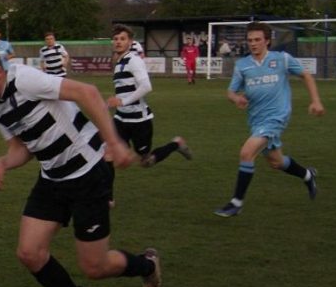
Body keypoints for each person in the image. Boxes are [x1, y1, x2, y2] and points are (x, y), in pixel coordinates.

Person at [0, 39, 161, 287]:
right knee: (29, 253)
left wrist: (114, 142)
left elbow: (86, 92)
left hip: (88, 173)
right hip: (52, 178)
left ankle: (147, 266)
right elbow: (22, 149)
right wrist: (3, 162)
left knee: (95, 267)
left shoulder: (24, 79)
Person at [214, 22, 324, 217]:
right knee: (276, 162)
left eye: (257, 40)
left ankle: (236, 202)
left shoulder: (282, 59)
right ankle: (308, 175)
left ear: (267, 41)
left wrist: (315, 101)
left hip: (277, 116)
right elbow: (230, 92)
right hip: (257, 120)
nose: (253, 44)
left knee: (247, 153)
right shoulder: (243, 65)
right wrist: (236, 98)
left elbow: (306, 75)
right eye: (250, 40)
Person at [107, 25, 192, 204]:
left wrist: (122, 101)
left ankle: (176, 144)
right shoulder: (119, 62)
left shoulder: (133, 60)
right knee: (108, 154)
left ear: (130, 42)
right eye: (115, 39)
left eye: (122, 39)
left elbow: (146, 87)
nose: (118, 42)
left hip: (139, 120)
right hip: (121, 118)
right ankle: (108, 198)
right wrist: (117, 102)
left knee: (146, 161)